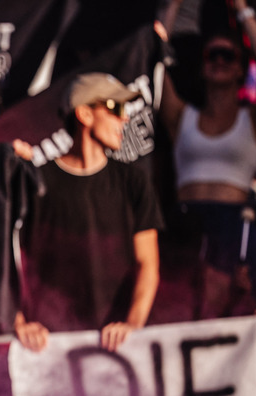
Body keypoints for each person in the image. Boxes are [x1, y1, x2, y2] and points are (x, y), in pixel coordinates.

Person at [14, 72, 163, 352]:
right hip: (49, 347)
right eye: (116, 108)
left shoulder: (134, 182)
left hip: (118, 347)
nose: (125, 118)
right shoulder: (35, 182)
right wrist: (20, 322)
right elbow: (10, 263)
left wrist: (132, 326)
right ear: (84, 114)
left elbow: (148, 265)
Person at [157, 0, 256, 318]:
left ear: (241, 68)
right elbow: (153, 58)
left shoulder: (252, 121)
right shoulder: (181, 116)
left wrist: (242, 10)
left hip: (234, 226)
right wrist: (173, 4)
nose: (218, 61)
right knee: (179, 311)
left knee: (235, 314)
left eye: (227, 55)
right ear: (201, 65)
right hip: (185, 226)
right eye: (211, 55)